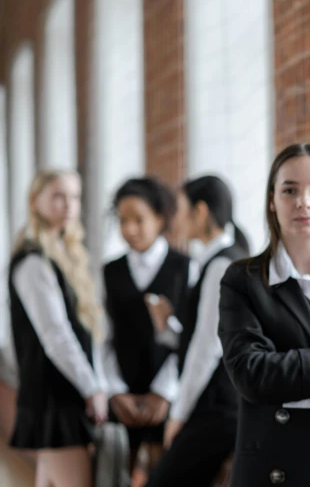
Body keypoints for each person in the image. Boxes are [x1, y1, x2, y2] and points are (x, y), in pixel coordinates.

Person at [218, 144, 310, 487]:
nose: (304, 201)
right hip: (272, 460)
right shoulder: (242, 278)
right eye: (290, 190)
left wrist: (289, 378)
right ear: (272, 199)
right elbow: (251, 375)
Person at [144, 175, 249, 487]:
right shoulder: (220, 259)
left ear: (200, 212)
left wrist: (178, 415)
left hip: (217, 410)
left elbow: (207, 349)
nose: (175, 219)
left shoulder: (220, 265)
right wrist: (167, 324)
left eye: (180, 209)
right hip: (217, 406)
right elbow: (201, 339)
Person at [8, 169, 108, 487]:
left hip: (62, 394)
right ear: (35, 201)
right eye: (59, 196)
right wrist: (92, 388)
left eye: (75, 197)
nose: (69, 205)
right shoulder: (33, 261)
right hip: (55, 399)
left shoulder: (62, 255)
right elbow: (55, 335)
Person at [102, 177, 194, 469]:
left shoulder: (185, 267)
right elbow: (103, 336)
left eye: (138, 220)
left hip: (169, 395)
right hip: (122, 396)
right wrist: (115, 390)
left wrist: (163, 392)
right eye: (122, 220)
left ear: (159, 218)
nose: (129, 229)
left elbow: (192, 339)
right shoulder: (109, 271)